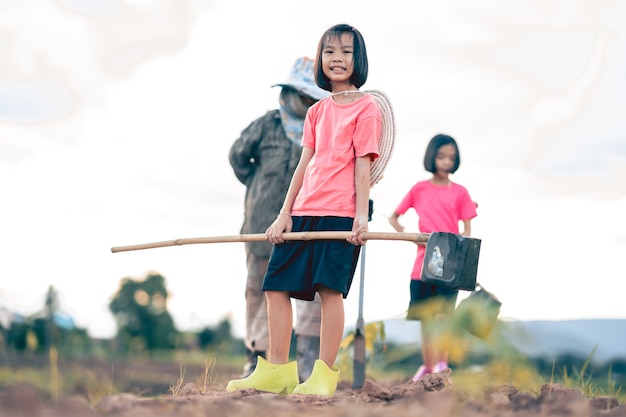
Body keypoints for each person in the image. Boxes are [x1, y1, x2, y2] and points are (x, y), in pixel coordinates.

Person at [227, 23, 381, 396]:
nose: (337, 59)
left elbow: (363, 167)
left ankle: (323, 377)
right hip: (304, 211)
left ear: (358, 59)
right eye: (329, 52)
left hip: (341, 215)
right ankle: (277, 370)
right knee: (276, 286)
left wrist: (360, 216)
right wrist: (284, 213)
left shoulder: (367, 108)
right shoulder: (318, 113)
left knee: (329, 292)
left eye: (345, 52)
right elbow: (303, 166)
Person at [229, 57, 328, 382]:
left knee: (310, 292)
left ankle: (308, 365)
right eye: (303, 96)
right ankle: (258, 359)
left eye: (313, 97)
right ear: (287, 94)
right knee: (260, 291)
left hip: (307, 227)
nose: (308, 103)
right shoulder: (266, 125)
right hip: (262, 224)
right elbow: (238, 157)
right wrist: (259, 185)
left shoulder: (325, 130)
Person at [388, 133, 478, 382]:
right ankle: (427, 367)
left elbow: (467, 230)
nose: (446, 161)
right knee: (426, 319)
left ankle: (441, 364)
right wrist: (409, 236)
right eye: (441, 156)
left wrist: (457, 243)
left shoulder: (461, 192)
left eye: (451, 157)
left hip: (449, 269)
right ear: (432, 157)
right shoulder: (419, 189)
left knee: (443, 318)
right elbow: (395, 217)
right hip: (422, 267)